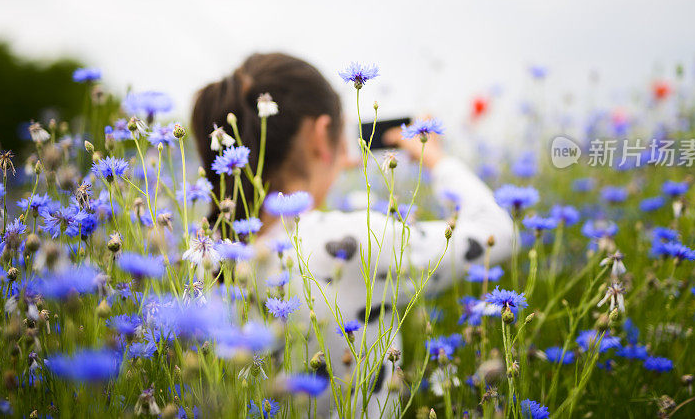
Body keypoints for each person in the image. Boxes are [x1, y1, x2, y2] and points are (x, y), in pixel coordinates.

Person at [192, 52, 514, 417]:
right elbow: (496, 232)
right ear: (320, 133)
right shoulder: (351, 241)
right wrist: (435, 158)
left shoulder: (203, 263)